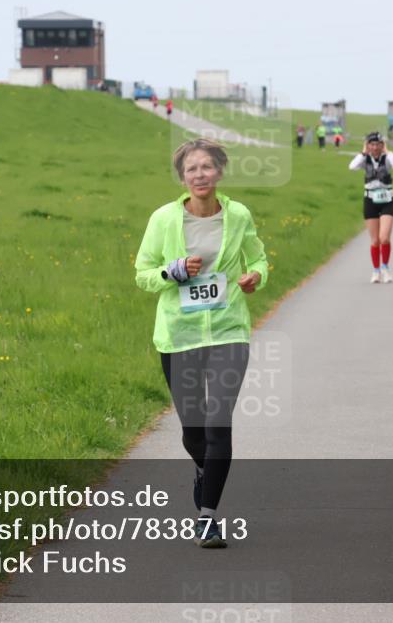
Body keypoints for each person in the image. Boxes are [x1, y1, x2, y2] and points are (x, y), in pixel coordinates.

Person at [135, 138, 269, 548]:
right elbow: (143, 274)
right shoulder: (163, 219)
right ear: (182, 177)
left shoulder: (239, 215)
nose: (199, 175)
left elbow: (259, 258)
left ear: (220, 171)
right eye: (191, 169)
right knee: (194, 431)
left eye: (206, 167)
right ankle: (204, 469)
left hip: (229, 331)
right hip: (179, 336)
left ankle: (207, 518)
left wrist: (255, 277)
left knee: (218, 423)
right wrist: (173, 271)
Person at [349, 132, 393, 283]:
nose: (375, 147)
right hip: (370, 200)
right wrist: (363, 152)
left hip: (386, 201)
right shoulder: (365, 159)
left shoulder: (387, 159)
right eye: (372, 144)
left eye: (378, 144)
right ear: (368, 145)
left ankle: (385, 268)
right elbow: (351, 167)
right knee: (374, 241)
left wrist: (388, 151)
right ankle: (375, 271)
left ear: (382, 145)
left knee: (384, 238)